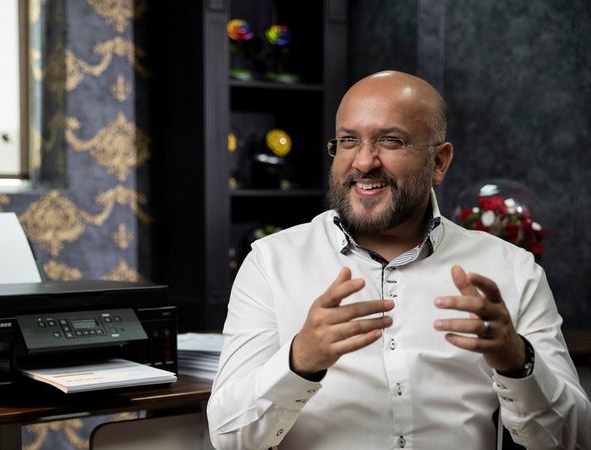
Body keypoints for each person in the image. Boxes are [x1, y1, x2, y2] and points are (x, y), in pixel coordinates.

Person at [206, 70, 590, 449]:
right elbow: (228, 439)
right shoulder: (271, 264)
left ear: (439, 162)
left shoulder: (512, 269)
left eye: (391, 141)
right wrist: (298, 360)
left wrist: (519, 363)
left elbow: (574, 439)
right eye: (348, 141)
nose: (363, 162)